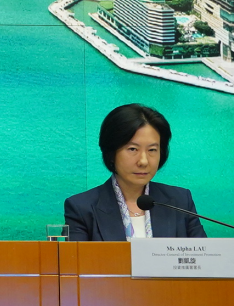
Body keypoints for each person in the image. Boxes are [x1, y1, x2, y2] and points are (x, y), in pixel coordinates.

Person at [64, 103, 206, 241]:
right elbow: (75, 263)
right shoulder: (82, 208)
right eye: (133, 149)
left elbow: (203, 260)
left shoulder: (180, 201)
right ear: (111, 152)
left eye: (152, 150)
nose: (143, 161)